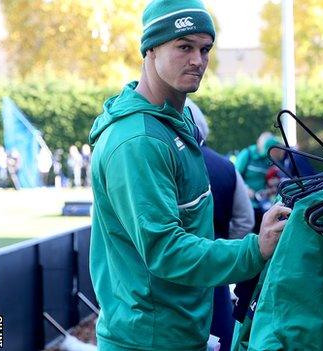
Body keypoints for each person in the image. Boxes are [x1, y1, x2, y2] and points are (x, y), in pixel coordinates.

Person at [87, 1, 291, 350]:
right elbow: (166, 251)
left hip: (176, 333)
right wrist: (254, 249)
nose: (198, 60)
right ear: (150, 48)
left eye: (205, 48)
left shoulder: (173, 125)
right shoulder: (140, 140)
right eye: (184, 46)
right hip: (148, 340)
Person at [185, 99, 254, 350]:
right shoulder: (226, 167)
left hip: (174, 276)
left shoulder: (163, 160)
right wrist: (225, 246)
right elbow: (245, 219)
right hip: (216, 272)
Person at [235, 132, 285, 231]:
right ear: (259, 142)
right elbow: (234, 175)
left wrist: (272, 185)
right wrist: (245, 189)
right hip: (246, 202)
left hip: (262, 203)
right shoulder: (247, 154)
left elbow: (271, 179)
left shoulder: (270, 158)